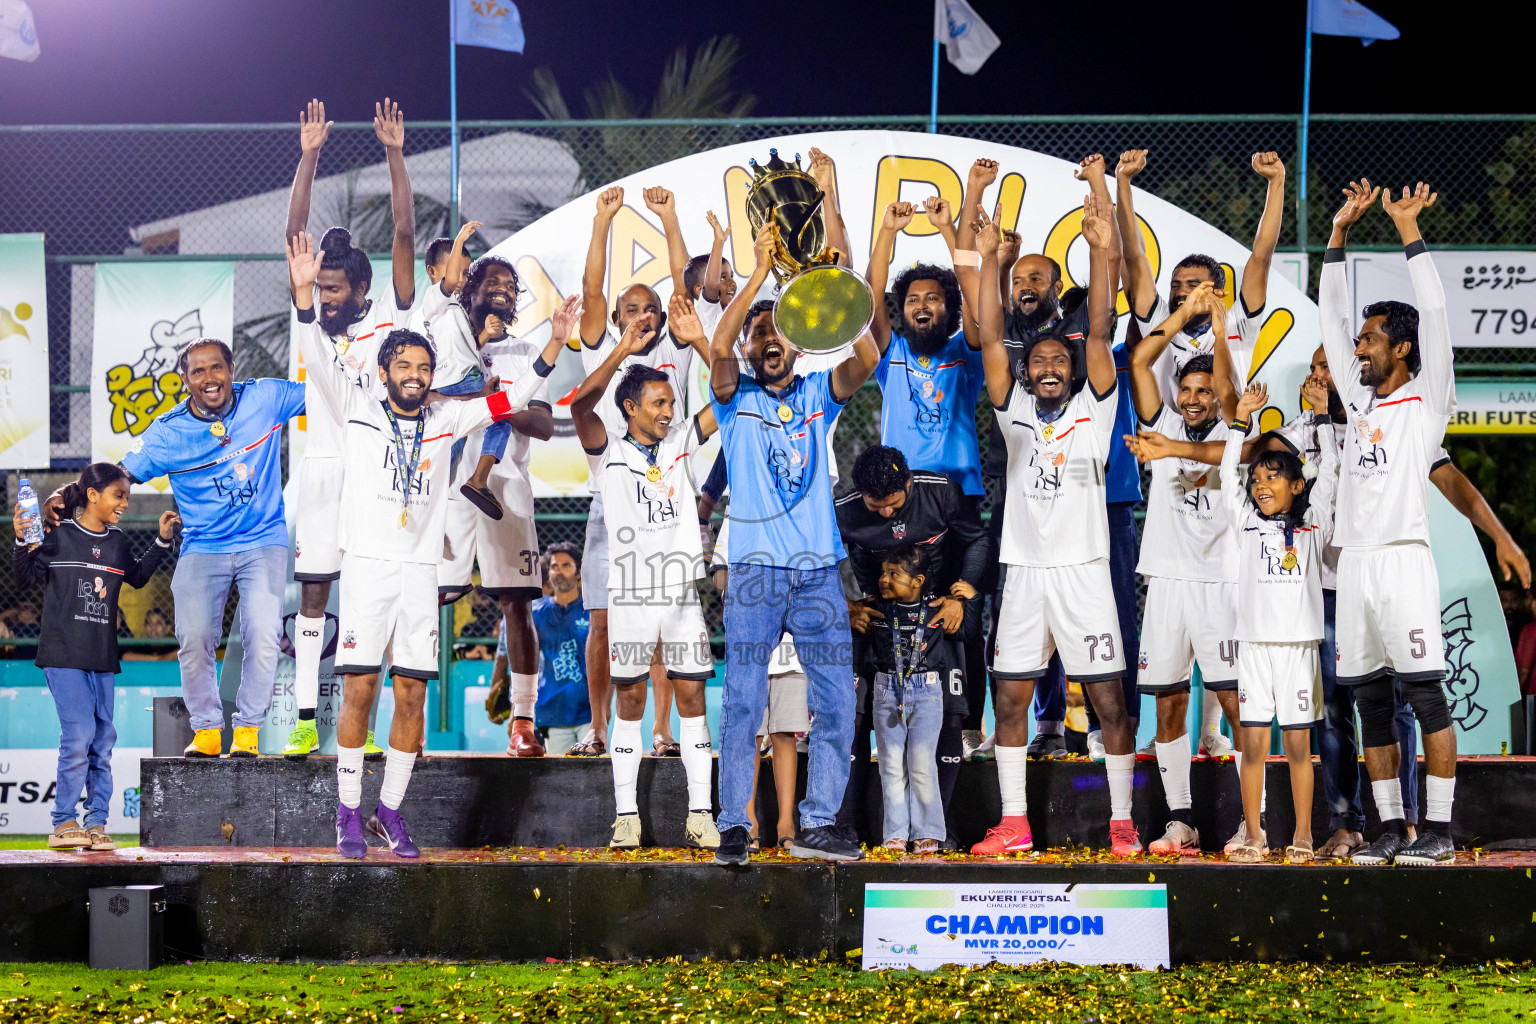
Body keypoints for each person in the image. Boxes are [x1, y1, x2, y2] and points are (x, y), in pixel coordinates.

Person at [287, 230, 571, 859]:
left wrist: (553, 342)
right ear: (385, 371)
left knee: (411, 692)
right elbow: (312, 345)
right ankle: (349, 814)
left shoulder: (446, 417)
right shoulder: (355, 407)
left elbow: (513, 398)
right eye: (405, 368)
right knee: (360, 689)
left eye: (423, 368)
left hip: (421, 571)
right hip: (367, 567)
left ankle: (391, 809)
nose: (415, 377)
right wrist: (304, 295)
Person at [957, 155, 1143, 762]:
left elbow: (1100, 323)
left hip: (1085, 545)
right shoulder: (1013, 399)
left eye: (1057, 362)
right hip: (1024, 540)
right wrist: (989, 260)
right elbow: (985, 334)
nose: (1048, 367)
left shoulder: (1092, 395)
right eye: (1037, 363)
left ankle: (1114, 800)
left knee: (1107, 682)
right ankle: (1025, 776)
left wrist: (1099, 244)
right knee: (1013, 667)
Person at [709, 222, 880, 867]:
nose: (767, 341)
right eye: (760, 334)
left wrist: (823, 290)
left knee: (836, 697)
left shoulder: (816, 393)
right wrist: (756, 278)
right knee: (745, 699)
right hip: (754, 572)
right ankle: (733, 824)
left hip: (815, 574)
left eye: (778, 331)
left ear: (797, 341)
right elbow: (719, 346)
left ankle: (820, 822)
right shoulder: (733, 399)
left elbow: (864, 360)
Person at [1321, 179, 1459, 867]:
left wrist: (1408, 231)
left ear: (1400, 350)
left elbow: (1434, 313)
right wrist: (1339, 235)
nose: (1359, 347)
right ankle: (1391, 827)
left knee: (1425, 696)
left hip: (1404, 558)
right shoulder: (1360, 400)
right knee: (1370, 705)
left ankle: (1439, 828)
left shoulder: (1428, 399)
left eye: (1372, 339)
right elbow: (1327, 316)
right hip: (1357, 565)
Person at [283, 98, 417, 760]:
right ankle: (306, 713)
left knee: (367, 594)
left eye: (335, 289)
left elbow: (402, 233)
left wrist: (394, 153)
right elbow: (296, 233)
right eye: (320, 288)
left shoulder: (387, 319)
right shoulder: (307, 311)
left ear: (361, 288)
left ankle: (364, 722)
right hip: (320, 469)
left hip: (372, 476)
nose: (325, 296)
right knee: (314, 593)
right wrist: (309, 153)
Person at [570, 304, 720, 851]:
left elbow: (729, 395)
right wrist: (622, 352)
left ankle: (701, 813)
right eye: (658, 403)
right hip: (630, 590)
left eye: (671, 401)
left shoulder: (680, 440)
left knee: (693, 701)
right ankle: (626, 816)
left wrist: (701, 339)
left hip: (680, 590)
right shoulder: (605, 452)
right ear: (630, 407)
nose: (668, 410)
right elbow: (580, 403)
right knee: (629, 705)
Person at [569, 185, 709, 760]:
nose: (645, 316)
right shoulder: (604, 347)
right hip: (612, 501)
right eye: (633, 310)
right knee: (604, 623)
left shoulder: (671, 354)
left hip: (667, 500)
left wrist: (671, 219)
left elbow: (682, 289)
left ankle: (661, 732)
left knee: (661, 625)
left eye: (650, 309)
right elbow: (592, 291)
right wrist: (603, 223)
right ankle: (599, 730)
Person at [1125, 284, 1242, 856]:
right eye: (1187, 389)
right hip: (1167, 580)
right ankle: (1181, 820)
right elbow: (1141, 360)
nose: (1194, 399)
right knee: (1168, 700)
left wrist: (1220, 330)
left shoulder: (1233, 431)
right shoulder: (1163, 419)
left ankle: (1254, 820)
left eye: (1204, 390)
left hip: (1221, 582)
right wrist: (1186, 313)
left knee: (1237, 703)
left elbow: (1225, 451)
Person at [432, 256, 563, 756]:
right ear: (471, 288)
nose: (505, 290)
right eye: (495, 281)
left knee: (517, 603)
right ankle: (412, 720)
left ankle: (524, 723)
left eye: (512, 285)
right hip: (448, 485)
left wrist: (504, 405)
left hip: (505, 486)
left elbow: (546, 426)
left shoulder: (527, 350)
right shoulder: (447, 344)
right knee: (430, 597)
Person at [15, 463, 179, 850]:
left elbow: (136, 577)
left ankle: (96, 823)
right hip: (62, 653)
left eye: (126, 496)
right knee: (79, 735)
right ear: (92, 495)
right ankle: (63, 821)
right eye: (118, 495)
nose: (124, 503)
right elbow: (24, 579)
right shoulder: (59, 534)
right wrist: (23, 541)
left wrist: (161, 540)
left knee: (102, 739)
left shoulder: (118, 542)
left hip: (102, 657)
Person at [834, 445, 989, 846]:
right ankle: (851, 824)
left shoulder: (941, 492)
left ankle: (940, 830)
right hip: (878, 618)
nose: (886, 514)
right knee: (858, 716)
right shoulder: (844, 509)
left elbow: (979, 541)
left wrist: (963, 595)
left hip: (939, 613)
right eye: (876, 506)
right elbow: (814, 560)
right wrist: (845, 605)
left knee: (949, 720)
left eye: (894, 504)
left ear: (909, 483)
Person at [1220, 382, 1337, 863]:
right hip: (1254, 648)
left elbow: (1329, 473)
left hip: (1298, 648)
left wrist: (1324, 420)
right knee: (1251, 744)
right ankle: (1254, 832)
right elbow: (1229, 475)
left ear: (1296, 486)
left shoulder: (1314, 525)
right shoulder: (1245, 521)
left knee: (1296, 745)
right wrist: (1238, 425)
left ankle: (1304, 833)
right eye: (1258, 479)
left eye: (1274, 478)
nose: (1261, 486)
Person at [1116, 149, 1285, 405]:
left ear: (1218, 291)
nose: (1182, 292)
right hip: (1170, 439)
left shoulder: (1237, 325)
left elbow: (1261, 256)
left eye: (1194, 286)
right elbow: (1135, 256)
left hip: (1227, 438)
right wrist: (1123, 182)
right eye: (1176, 286)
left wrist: (1276, 182)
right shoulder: (1160, 323)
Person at [867, 544, 961, 855]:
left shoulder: (936, 610)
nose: (884, 579)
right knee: (891, 766)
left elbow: (968, 616)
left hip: (927, 690)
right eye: (883, 572)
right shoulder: (877, 609)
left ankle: (928, 832)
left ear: (918, 580)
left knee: (922, 764)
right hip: (886, 690)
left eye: (894, 574)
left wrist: (959, 598)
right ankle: (895, 834)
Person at [528, 542, 592, 756]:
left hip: (590, 714)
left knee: (594, 779)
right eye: (555, 566)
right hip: (553, 713)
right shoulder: (536, 613)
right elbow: (526, 665)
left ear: (579, 572)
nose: (560, 571)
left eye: (566, 565)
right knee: (559, 783)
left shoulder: (593, 613)